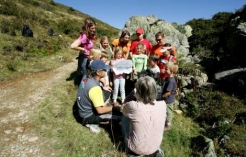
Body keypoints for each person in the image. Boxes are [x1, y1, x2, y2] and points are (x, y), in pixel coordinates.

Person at [121, 76, 166, 156]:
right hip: (155, 147)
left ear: (138, 91)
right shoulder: (163, 105)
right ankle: (156, 150)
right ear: (155, 90)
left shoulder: (133, 106)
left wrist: (132, 93)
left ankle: (129, 149)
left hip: (135, 147)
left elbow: (123, 107)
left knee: (125, 116)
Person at [76, 60, 121, 133]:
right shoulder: (95, 89)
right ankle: (91, 123)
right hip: (87, 116)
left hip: (82, 108)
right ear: (98, 72)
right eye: (104, 69)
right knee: (120, 117)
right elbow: (99, 111)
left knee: (107, 92)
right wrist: (114, 108)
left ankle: (103, 105)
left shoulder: (86, 76)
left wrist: (102, 87)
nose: (106, 71)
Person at [161, 61, 178, 130]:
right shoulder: (167, 78)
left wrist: (161, 97)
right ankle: (164, 122)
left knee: (168, 112)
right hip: (166, 99)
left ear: (172, 71)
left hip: (168, 100)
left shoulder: (171, 81)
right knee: (165, 111)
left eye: (166, 69)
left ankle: (168, 125)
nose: (165, 70)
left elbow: (168, 92)